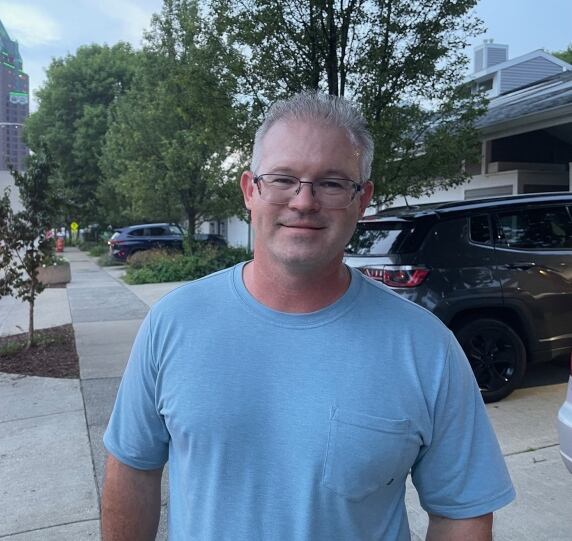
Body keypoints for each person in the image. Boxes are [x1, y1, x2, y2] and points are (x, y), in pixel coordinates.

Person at [101, 91, 514, 540]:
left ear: (362, 200)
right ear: (249, 190)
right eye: (282, 178)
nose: (304, 201)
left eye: (332, 183)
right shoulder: (173, 323)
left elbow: (462, 514)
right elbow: (133, 469)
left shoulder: (425, 347)